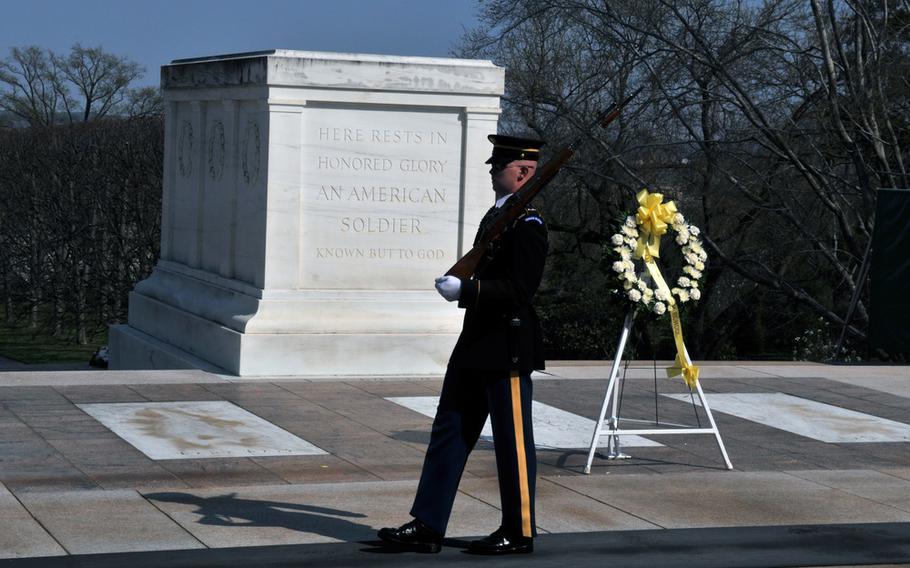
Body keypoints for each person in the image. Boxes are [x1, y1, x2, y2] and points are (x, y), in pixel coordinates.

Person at [378, 134, 548, 555]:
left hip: (505, 347)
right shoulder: (499, 217)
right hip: (475, 345)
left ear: (523, 171)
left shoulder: (528, 226)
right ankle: (428, 524)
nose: (492, 170)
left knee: (512, 444)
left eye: (499, 165)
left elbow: (519, 290)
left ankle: (519, 530)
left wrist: (467, 291)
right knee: (449, 431)